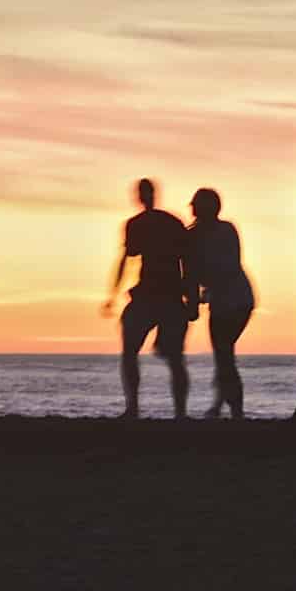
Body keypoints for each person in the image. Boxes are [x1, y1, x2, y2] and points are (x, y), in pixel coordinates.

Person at [100, 178, 192, 419]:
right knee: (160, 356)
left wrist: (190, 297)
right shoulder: (167, 222)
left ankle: (141, 408)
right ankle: (147, 409)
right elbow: (187, 262)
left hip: (161, 295)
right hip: (159, 296)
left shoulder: (145, 223)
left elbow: (186, 260)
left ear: (141, 197)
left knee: (157, 356)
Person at [188, 187, 254, 419]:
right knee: (223, 354)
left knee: (224, 354)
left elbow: (228, 267)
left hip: (234, 300)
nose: (192, 209)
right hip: (229, 299)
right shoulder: (197, 234)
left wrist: (199, 298)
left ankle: (235, 410)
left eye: (195, 204)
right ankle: (220, 405)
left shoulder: (222, 231)